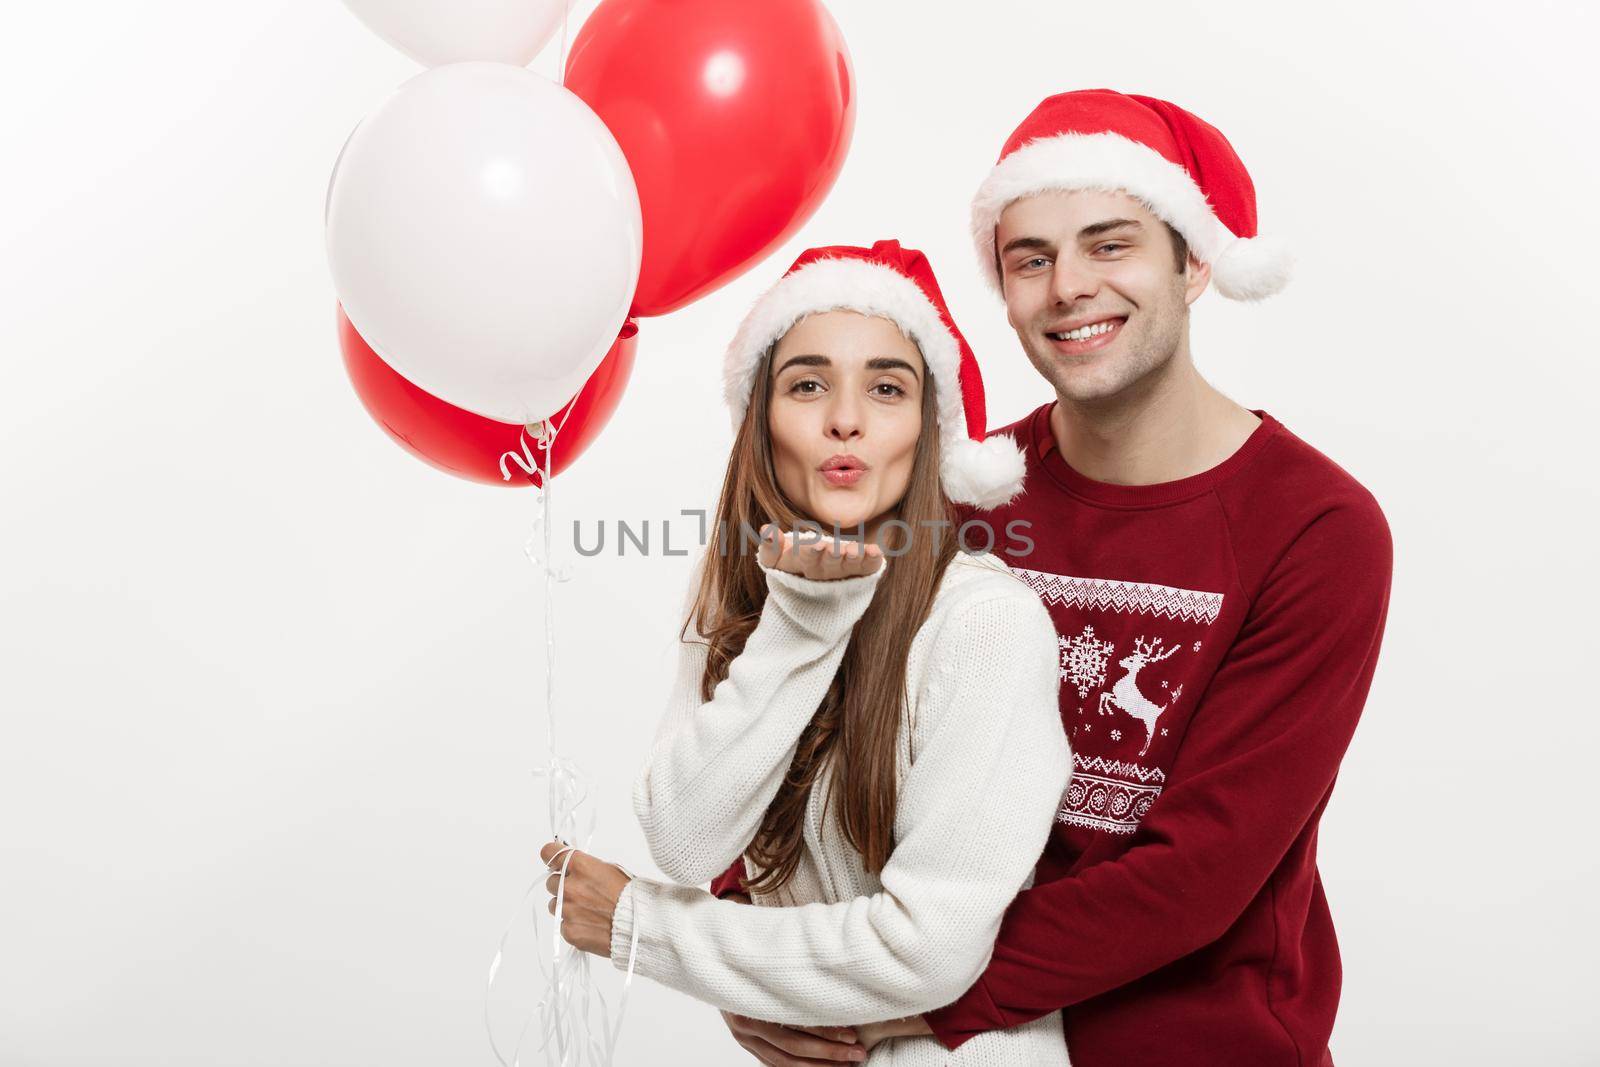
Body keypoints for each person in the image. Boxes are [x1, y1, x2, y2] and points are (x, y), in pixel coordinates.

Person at [698, 89, 1394, 1066]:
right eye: (1030, 258)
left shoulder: (1317, 527)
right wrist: (752, 945)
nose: (1068, 285)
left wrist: (871, 994)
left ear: (1192, 261)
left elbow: (1193, 875)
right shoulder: (955, 496)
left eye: (1109, 245)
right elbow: (786, 709)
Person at [539, 239, 1076, 1063]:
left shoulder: (987, 624)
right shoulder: (743, 600)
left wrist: (642, 926)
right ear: (763, 420)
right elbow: (688, 841)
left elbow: (926, 948)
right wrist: (804, 621)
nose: (845, 419)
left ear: (930, 429)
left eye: (888, 387)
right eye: (808, 383)